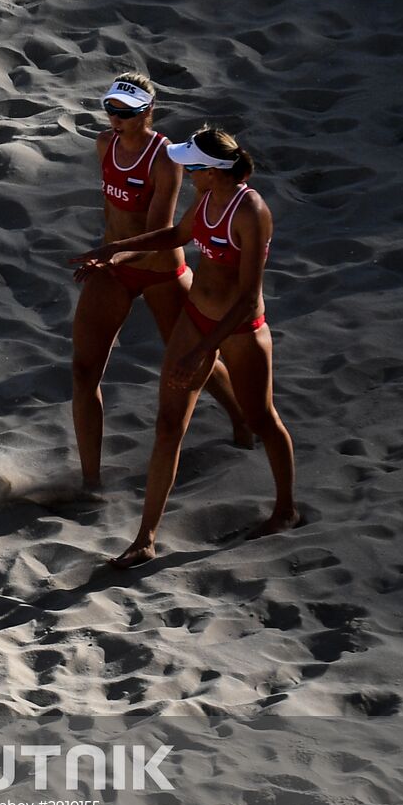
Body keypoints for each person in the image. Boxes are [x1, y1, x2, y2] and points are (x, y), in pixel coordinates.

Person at [71, 126, 299, 566]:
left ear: (209, 171)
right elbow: (175, 235)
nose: (185, 169)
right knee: (168, 427)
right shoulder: (209, 197)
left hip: (242, 329)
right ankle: (146, 538)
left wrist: (203, 351)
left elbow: (250, 296)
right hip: (196, 319)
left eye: (191, 164)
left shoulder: (251, 211)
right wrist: (115, 249)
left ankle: (286, 509)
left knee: (263, 418)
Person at [72, 74, 251, 491]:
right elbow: (110, 207)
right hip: (112, 265)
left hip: (159, 269)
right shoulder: (104, 143)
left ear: (148, 112)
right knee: (83, 372)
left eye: (126, 113)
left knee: (195, 366)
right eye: (110, 109)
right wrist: (108, 251)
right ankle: (91, 483)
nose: (115, 119)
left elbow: (160, 231)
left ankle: (243, 420)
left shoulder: (165, 158)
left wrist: (113, 253)